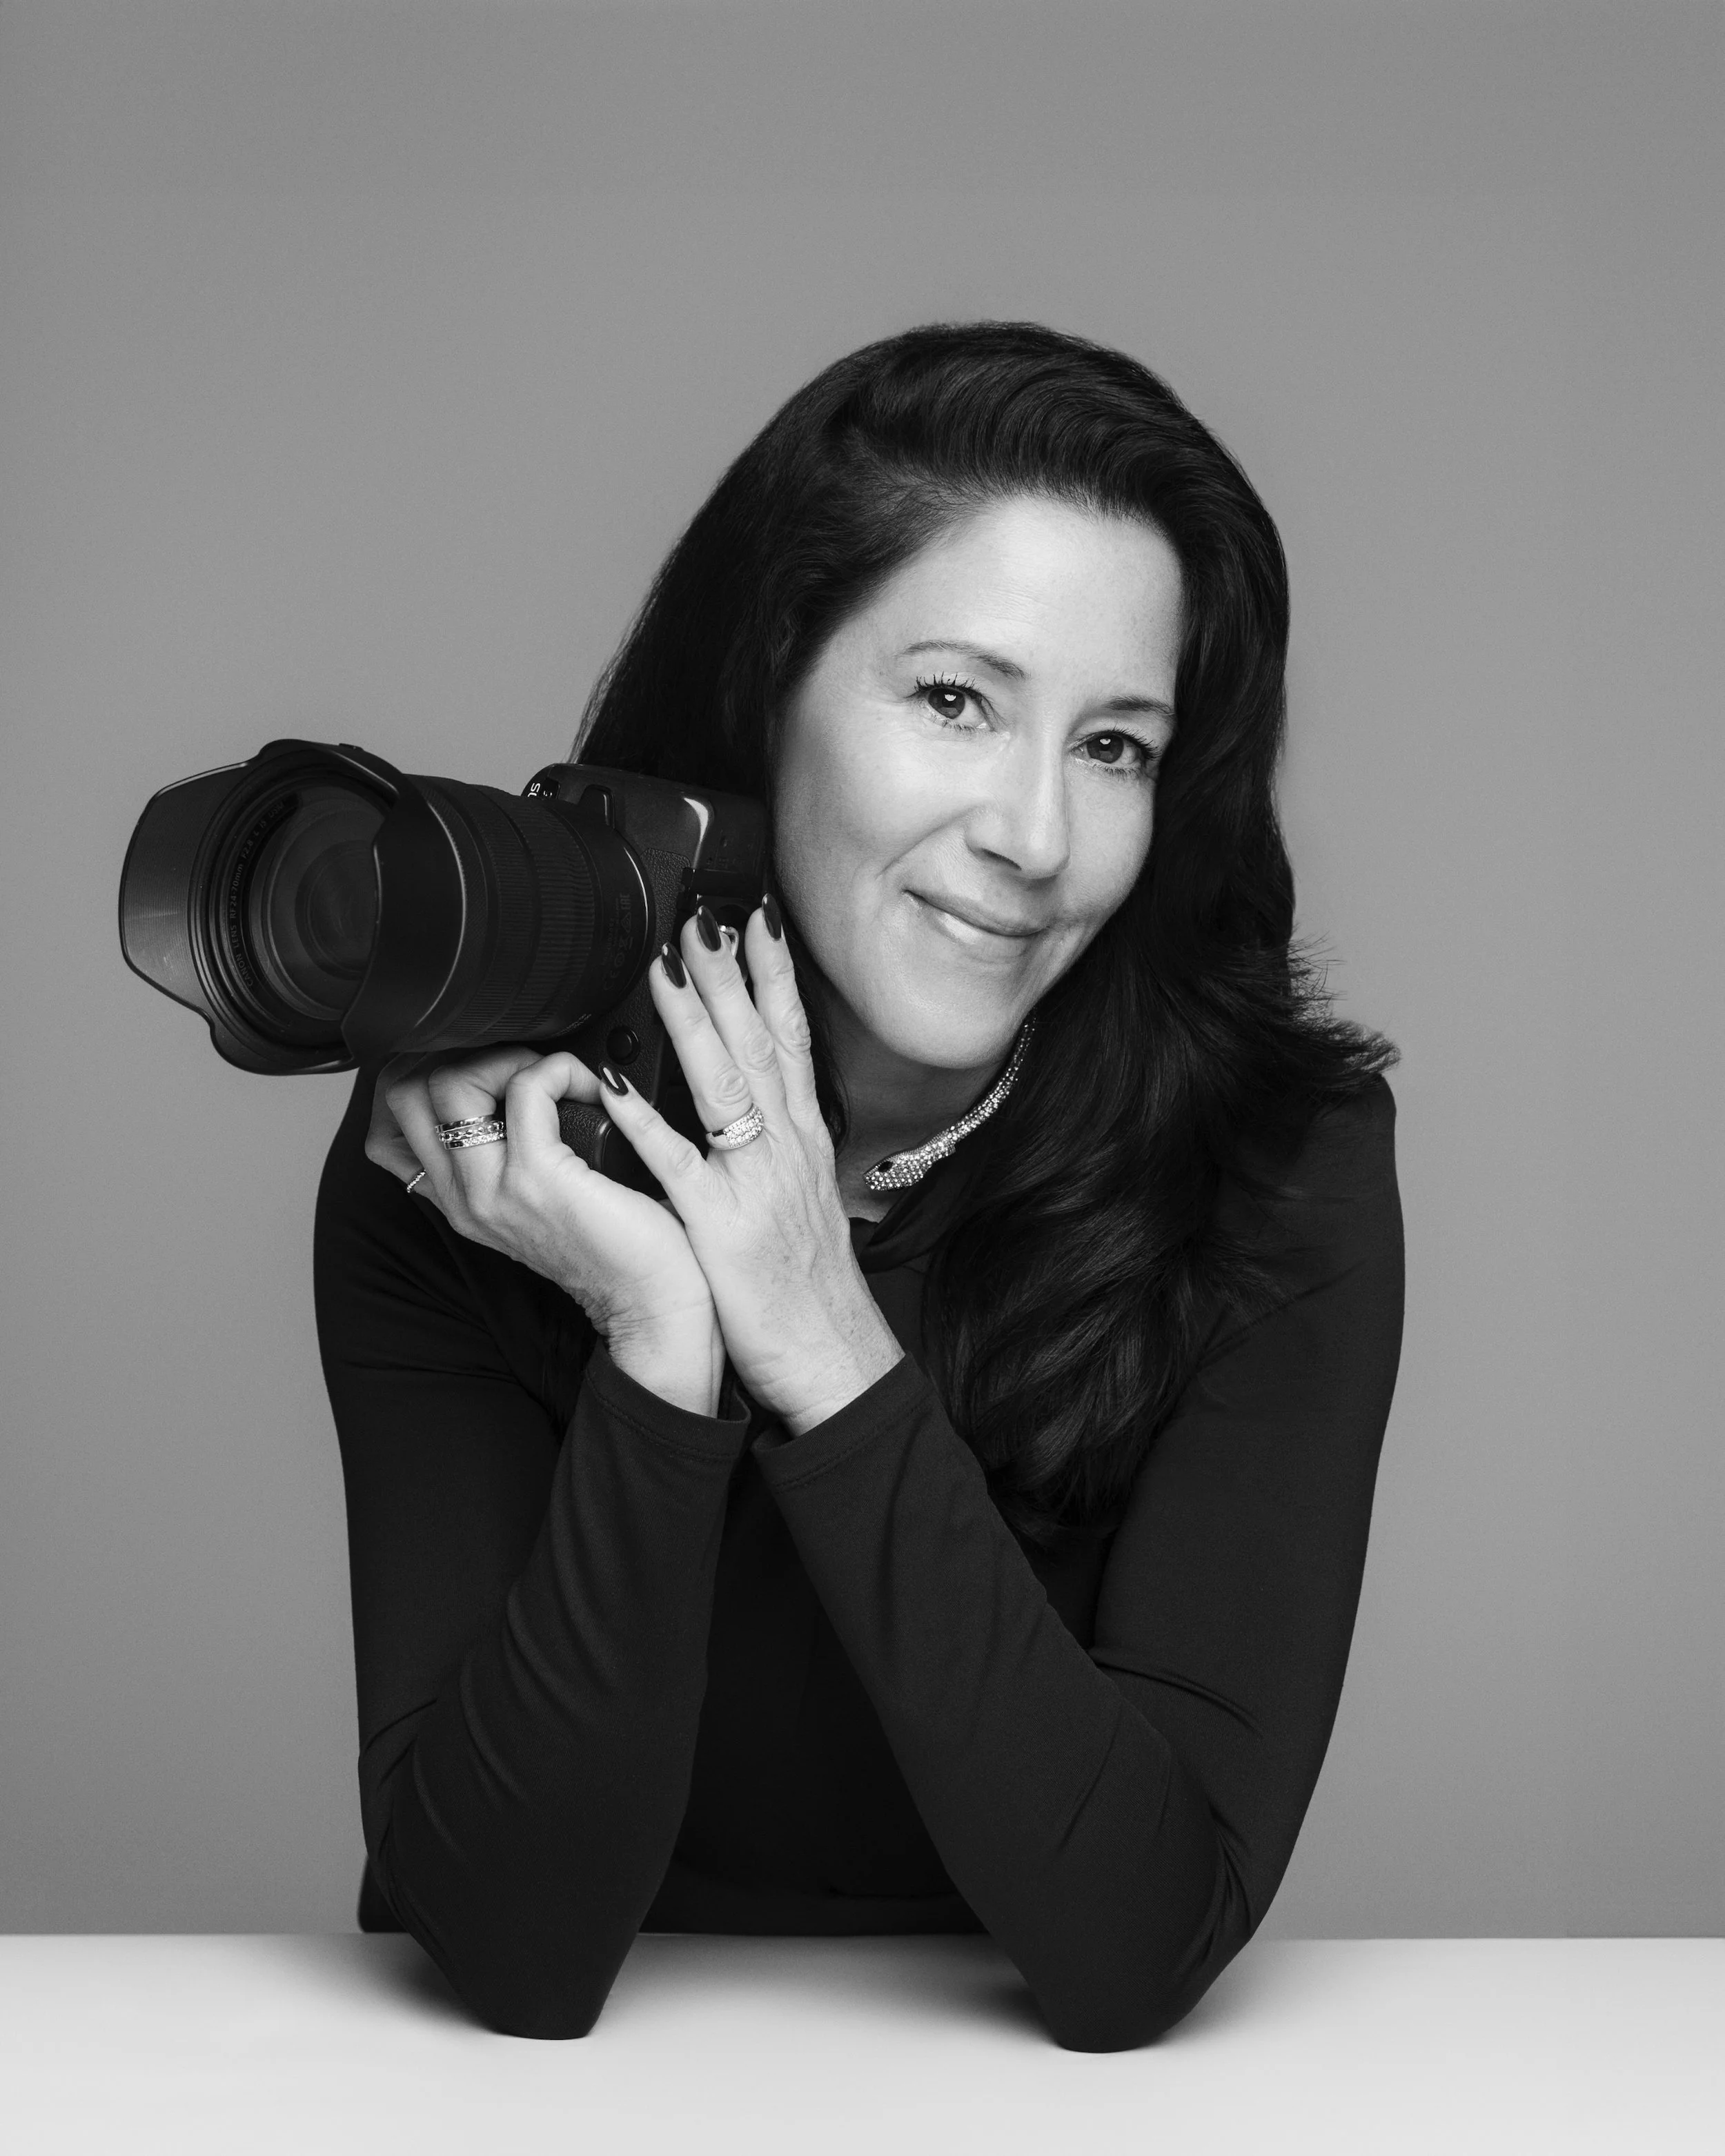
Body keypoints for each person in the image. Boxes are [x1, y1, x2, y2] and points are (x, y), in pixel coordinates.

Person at [314, 321, 1403, 2050]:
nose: (1033, 836)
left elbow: (1135, 1943)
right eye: (955, 700)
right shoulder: (495, 1150)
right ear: (770, 690)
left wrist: (821, 1337)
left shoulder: (1274, 1168)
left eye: (1114, 745)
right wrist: (658, 1335)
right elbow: (511, 1947)